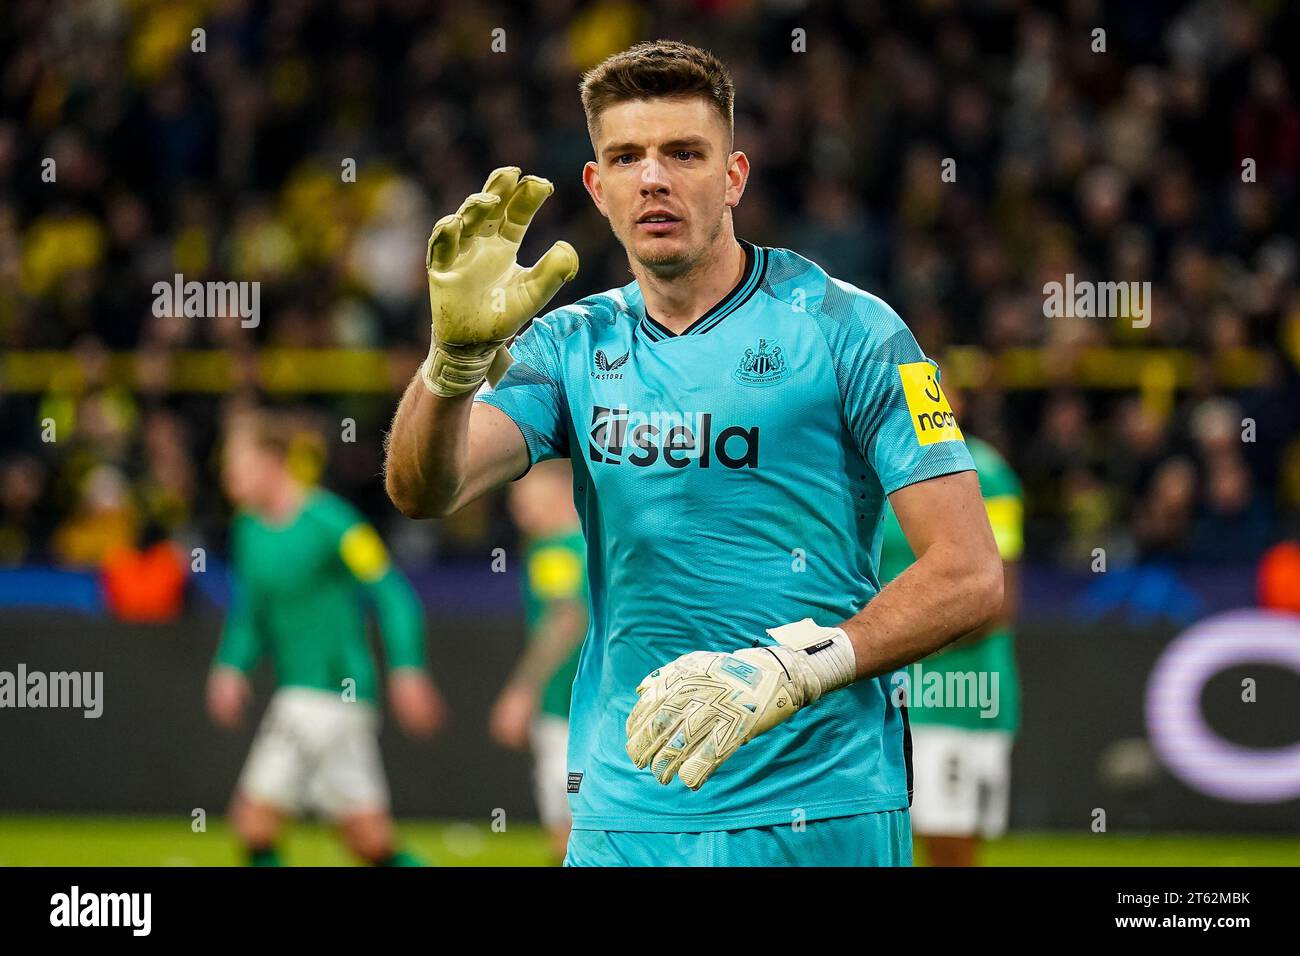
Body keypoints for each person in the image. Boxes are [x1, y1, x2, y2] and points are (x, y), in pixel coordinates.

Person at [384, 40, 1002, 866]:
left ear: (734, 176)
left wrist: (798, 668)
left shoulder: (855, 331)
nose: (654, 178)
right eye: (626, 157)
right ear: (598, 189)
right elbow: (426, 489)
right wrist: (450, 366)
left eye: (684, 153)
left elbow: (969, 573)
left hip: (820, 808)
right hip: (624, 815)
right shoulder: (570, 345)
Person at [208, 409, 444, 866]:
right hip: (307, 697)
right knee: (369, 843)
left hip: (332, 693)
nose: (228, 476)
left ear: (273, 461)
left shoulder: (331, 522)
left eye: (238, 463)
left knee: (254, 821)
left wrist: (407, 667)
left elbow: (392, 595)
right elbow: (250, 612)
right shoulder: (248, 530)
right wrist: (231, 665)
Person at [878, 388, 1023, 866]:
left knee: (949, 848)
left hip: (955, 694)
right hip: (883, 688)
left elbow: (996, 599)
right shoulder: (868, 465)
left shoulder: (988, 474)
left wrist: (884, 644)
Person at [488, 459, 589, 863]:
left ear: (557, 488)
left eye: (522, 490)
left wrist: (522, 690)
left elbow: (565, 618)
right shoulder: (594, 543)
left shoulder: (556, 550)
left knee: (568, 836)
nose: (516, 504)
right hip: (596, 711)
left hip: (566, 714)